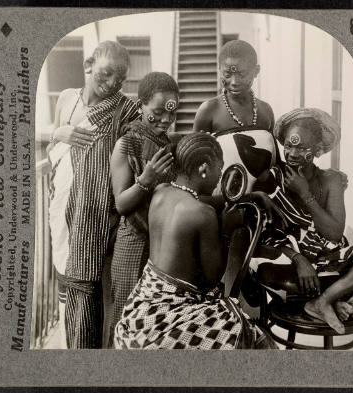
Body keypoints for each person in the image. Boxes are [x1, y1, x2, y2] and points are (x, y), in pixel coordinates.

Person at [114, 133, 274, 349]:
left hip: (142, 314)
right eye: (220, 168)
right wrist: (226, 230)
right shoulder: (203, 214)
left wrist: (250, 197)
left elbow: (196, 198)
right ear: (204, 169)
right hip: (171, 318)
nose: (220, 176)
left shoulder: (161, 191)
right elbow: (211, 280)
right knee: (253, 337)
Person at [49, 41, 139, 348]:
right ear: (88, 65)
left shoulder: (125, 110)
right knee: (65, 283)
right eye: (106, 73)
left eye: (121, 78)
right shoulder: (66, 99)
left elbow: (138, 146)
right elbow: (55, 148)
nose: (113, 83)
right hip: (61, 207)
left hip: (97, 215)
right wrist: (57, 132)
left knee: (97, 292)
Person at [251, 108, 353, 334]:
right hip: (288, 262)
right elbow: (261, 235)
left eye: (301, 148)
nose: (291, 153)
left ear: (318, 150)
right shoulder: (271, 178)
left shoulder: (331, 180)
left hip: (326, 259)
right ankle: (331, 300)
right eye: (289, 146)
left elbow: (334, 234)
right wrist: (299, 258)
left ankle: (323, 301)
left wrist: (304, 193)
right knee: (263, 270)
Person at [106, 72, 179, 346]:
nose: (165, 120)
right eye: (157, 113)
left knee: (151, 322)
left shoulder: (166, 144)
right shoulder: (126, 143)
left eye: (171, 114)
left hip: (161, 246)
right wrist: (146, 180)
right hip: (133, 243)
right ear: (140, 107)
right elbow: (122, 203)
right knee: (125, 317)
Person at [193, 39, 278, 207]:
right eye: (227, 74)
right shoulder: (208, 110)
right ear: (219, 70)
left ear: (256, 71)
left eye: (241, 74)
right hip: (220, 202)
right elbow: (194, 164)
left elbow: (276, 162)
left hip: (263, 202)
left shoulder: (266, 111)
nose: (234, 81)